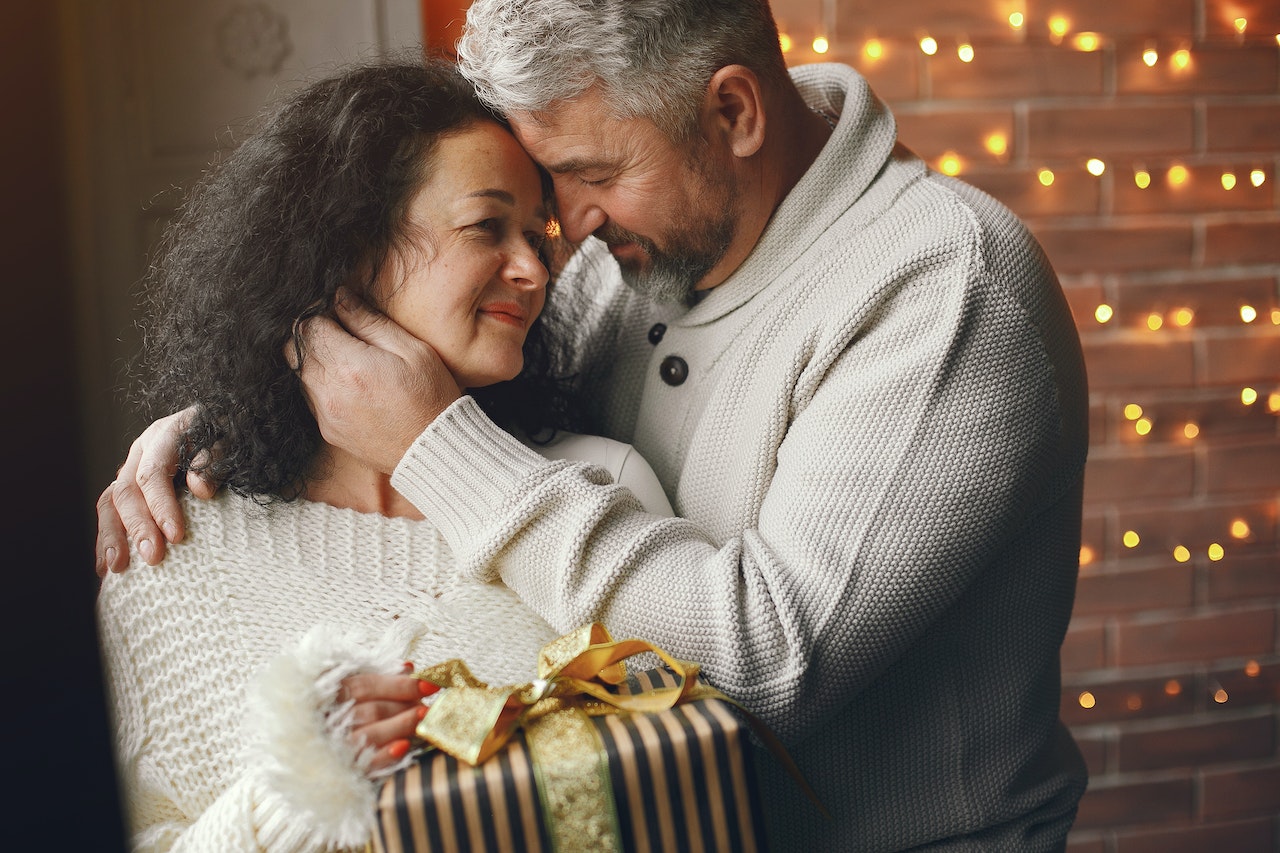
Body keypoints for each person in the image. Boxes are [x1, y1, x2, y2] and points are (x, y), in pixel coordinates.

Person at [98, 0, 1091, 849]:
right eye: (543, 191)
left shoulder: (944, 287)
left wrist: (429, 443)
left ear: (733, 112)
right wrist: (247, 405)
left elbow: (761, 667)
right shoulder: (646, 245)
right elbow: (454, 346)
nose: (565, 232)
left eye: (592, 172)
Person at [95, 56, 673, 853]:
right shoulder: (169, 545)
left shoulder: (601, 483)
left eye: (539, 235)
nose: (534, 270)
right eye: (487, 226)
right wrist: (292, 801)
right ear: (350, 249)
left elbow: (685, 781)